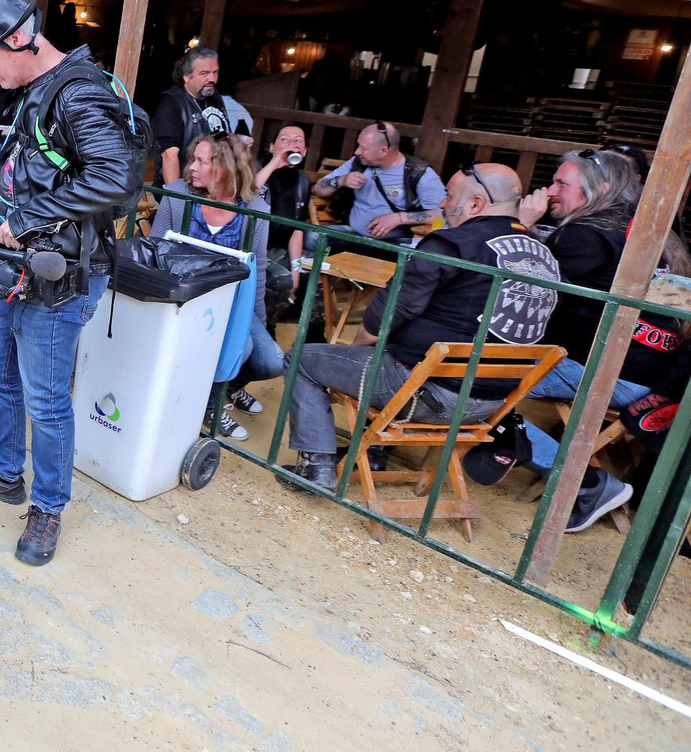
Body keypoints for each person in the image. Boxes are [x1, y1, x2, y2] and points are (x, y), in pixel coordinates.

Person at [0, 0, 140, 566]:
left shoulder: (79, 94)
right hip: (19, 265)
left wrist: (27, 218)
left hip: (63, 274)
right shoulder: (31, 89)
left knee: (48, 399)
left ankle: (48, 509)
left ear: (21, 37)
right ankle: (5, 472)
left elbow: (117, 179)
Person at [281, 163, 560, 490]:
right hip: (493, 403)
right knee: (397, 347)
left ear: (475, 205)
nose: (441, 205)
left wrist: (356, 349)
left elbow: (387, 313)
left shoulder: (452, 243)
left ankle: (316, 468)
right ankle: (372, 455)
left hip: (424, 393)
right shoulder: (546, 257)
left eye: (449, 196)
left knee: (303, 358)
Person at [500, 149, 685, 531]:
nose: (550, 190)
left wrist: (516, 225)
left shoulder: (585, 234)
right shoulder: (648, 229)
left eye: (561, 184)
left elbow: (521, 291)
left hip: (612, 372)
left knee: (470, 385)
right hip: (657, 375)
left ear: (598, 189)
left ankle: (589, 483)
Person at [148, 131, 285, 441]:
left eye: (201, 161)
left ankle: (222, 393)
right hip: (184, 297)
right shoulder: (178, 194)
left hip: (231, 301)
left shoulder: (255, 210)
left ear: (225, 168)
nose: (191, 167)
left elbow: (257, 268)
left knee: (270, 361)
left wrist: (257, 320)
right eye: (193, 159)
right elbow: (154, 249)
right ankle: (208, 403)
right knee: (243, 347)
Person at [311, 121, 445, 257]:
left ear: (384, 151)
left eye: (364, 148)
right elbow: (318, 188)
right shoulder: (357, 163)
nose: (357, 152)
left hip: (394, 244)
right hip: (353, 235)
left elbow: (443, 216)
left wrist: (399, 218)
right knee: (312, 237)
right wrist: (340, 180)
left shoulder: (420, 174)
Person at [255, 125, 311, 314]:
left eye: (298, 141)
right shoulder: (256, 168)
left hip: (280, 249)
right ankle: (268, 324)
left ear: (304, 151)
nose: (291, 144)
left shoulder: (302, 180)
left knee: (321, 269)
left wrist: (297, 268)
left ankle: (311, 331)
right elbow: (245, 196)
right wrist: (274, 164)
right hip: (252, 246)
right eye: (284, 139)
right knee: (280, 279)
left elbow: (297, 229)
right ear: (272, 147)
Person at [152, 46, 229, 184]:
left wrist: (233, 141)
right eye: (204, 73)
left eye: (215, 72)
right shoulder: (171, 104)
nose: (212, 79)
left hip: (214, 183)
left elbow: (219, 132)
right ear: (186, 76)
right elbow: (169, 155)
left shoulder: (213, 96)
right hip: (186, 183)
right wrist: (176, 198)